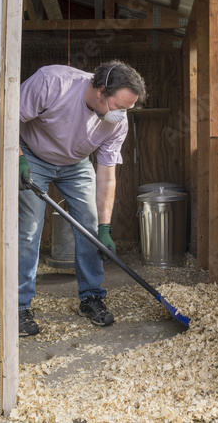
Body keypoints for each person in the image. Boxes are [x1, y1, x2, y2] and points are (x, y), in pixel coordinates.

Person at [18, 61, 147, 336]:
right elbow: (7, 115)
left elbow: (107, 175)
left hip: (76, 163)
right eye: (119, 106)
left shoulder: (117, 123)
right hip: (32, 154)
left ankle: (91, 297)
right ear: (100, 90)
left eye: (127, 109)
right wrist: (17, 158)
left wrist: (104, 227)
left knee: (88, 226)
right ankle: (20, 305)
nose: (122, 114)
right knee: (29, 229)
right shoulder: (53, 82)